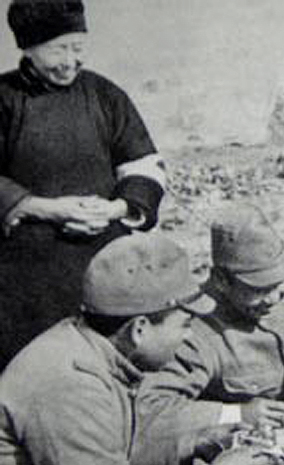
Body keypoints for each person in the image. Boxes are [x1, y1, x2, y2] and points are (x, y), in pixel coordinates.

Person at [0, 233, 275, 465]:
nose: (188, 338)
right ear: (140, 329)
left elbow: (104, 460)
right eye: (185, 324)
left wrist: (188, 446)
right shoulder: (71, 385)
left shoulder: (84, 350)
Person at [0, 0, 165, 368]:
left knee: (108, 356)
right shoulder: (5, 99)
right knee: (33, 364)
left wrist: (115, 208)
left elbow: (145, 165)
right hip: (26, 272)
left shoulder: (104, 94)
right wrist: (47, 209)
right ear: (28, 48)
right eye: (59, 49)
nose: (71, 61)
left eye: (78, 47)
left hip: (105, 257)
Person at [137, 205, 284, 434]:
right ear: (221, 281)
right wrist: (237, 414)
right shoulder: (195, 332)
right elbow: (152, 409)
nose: (274, 299)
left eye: (279, 286)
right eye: (259, 290)